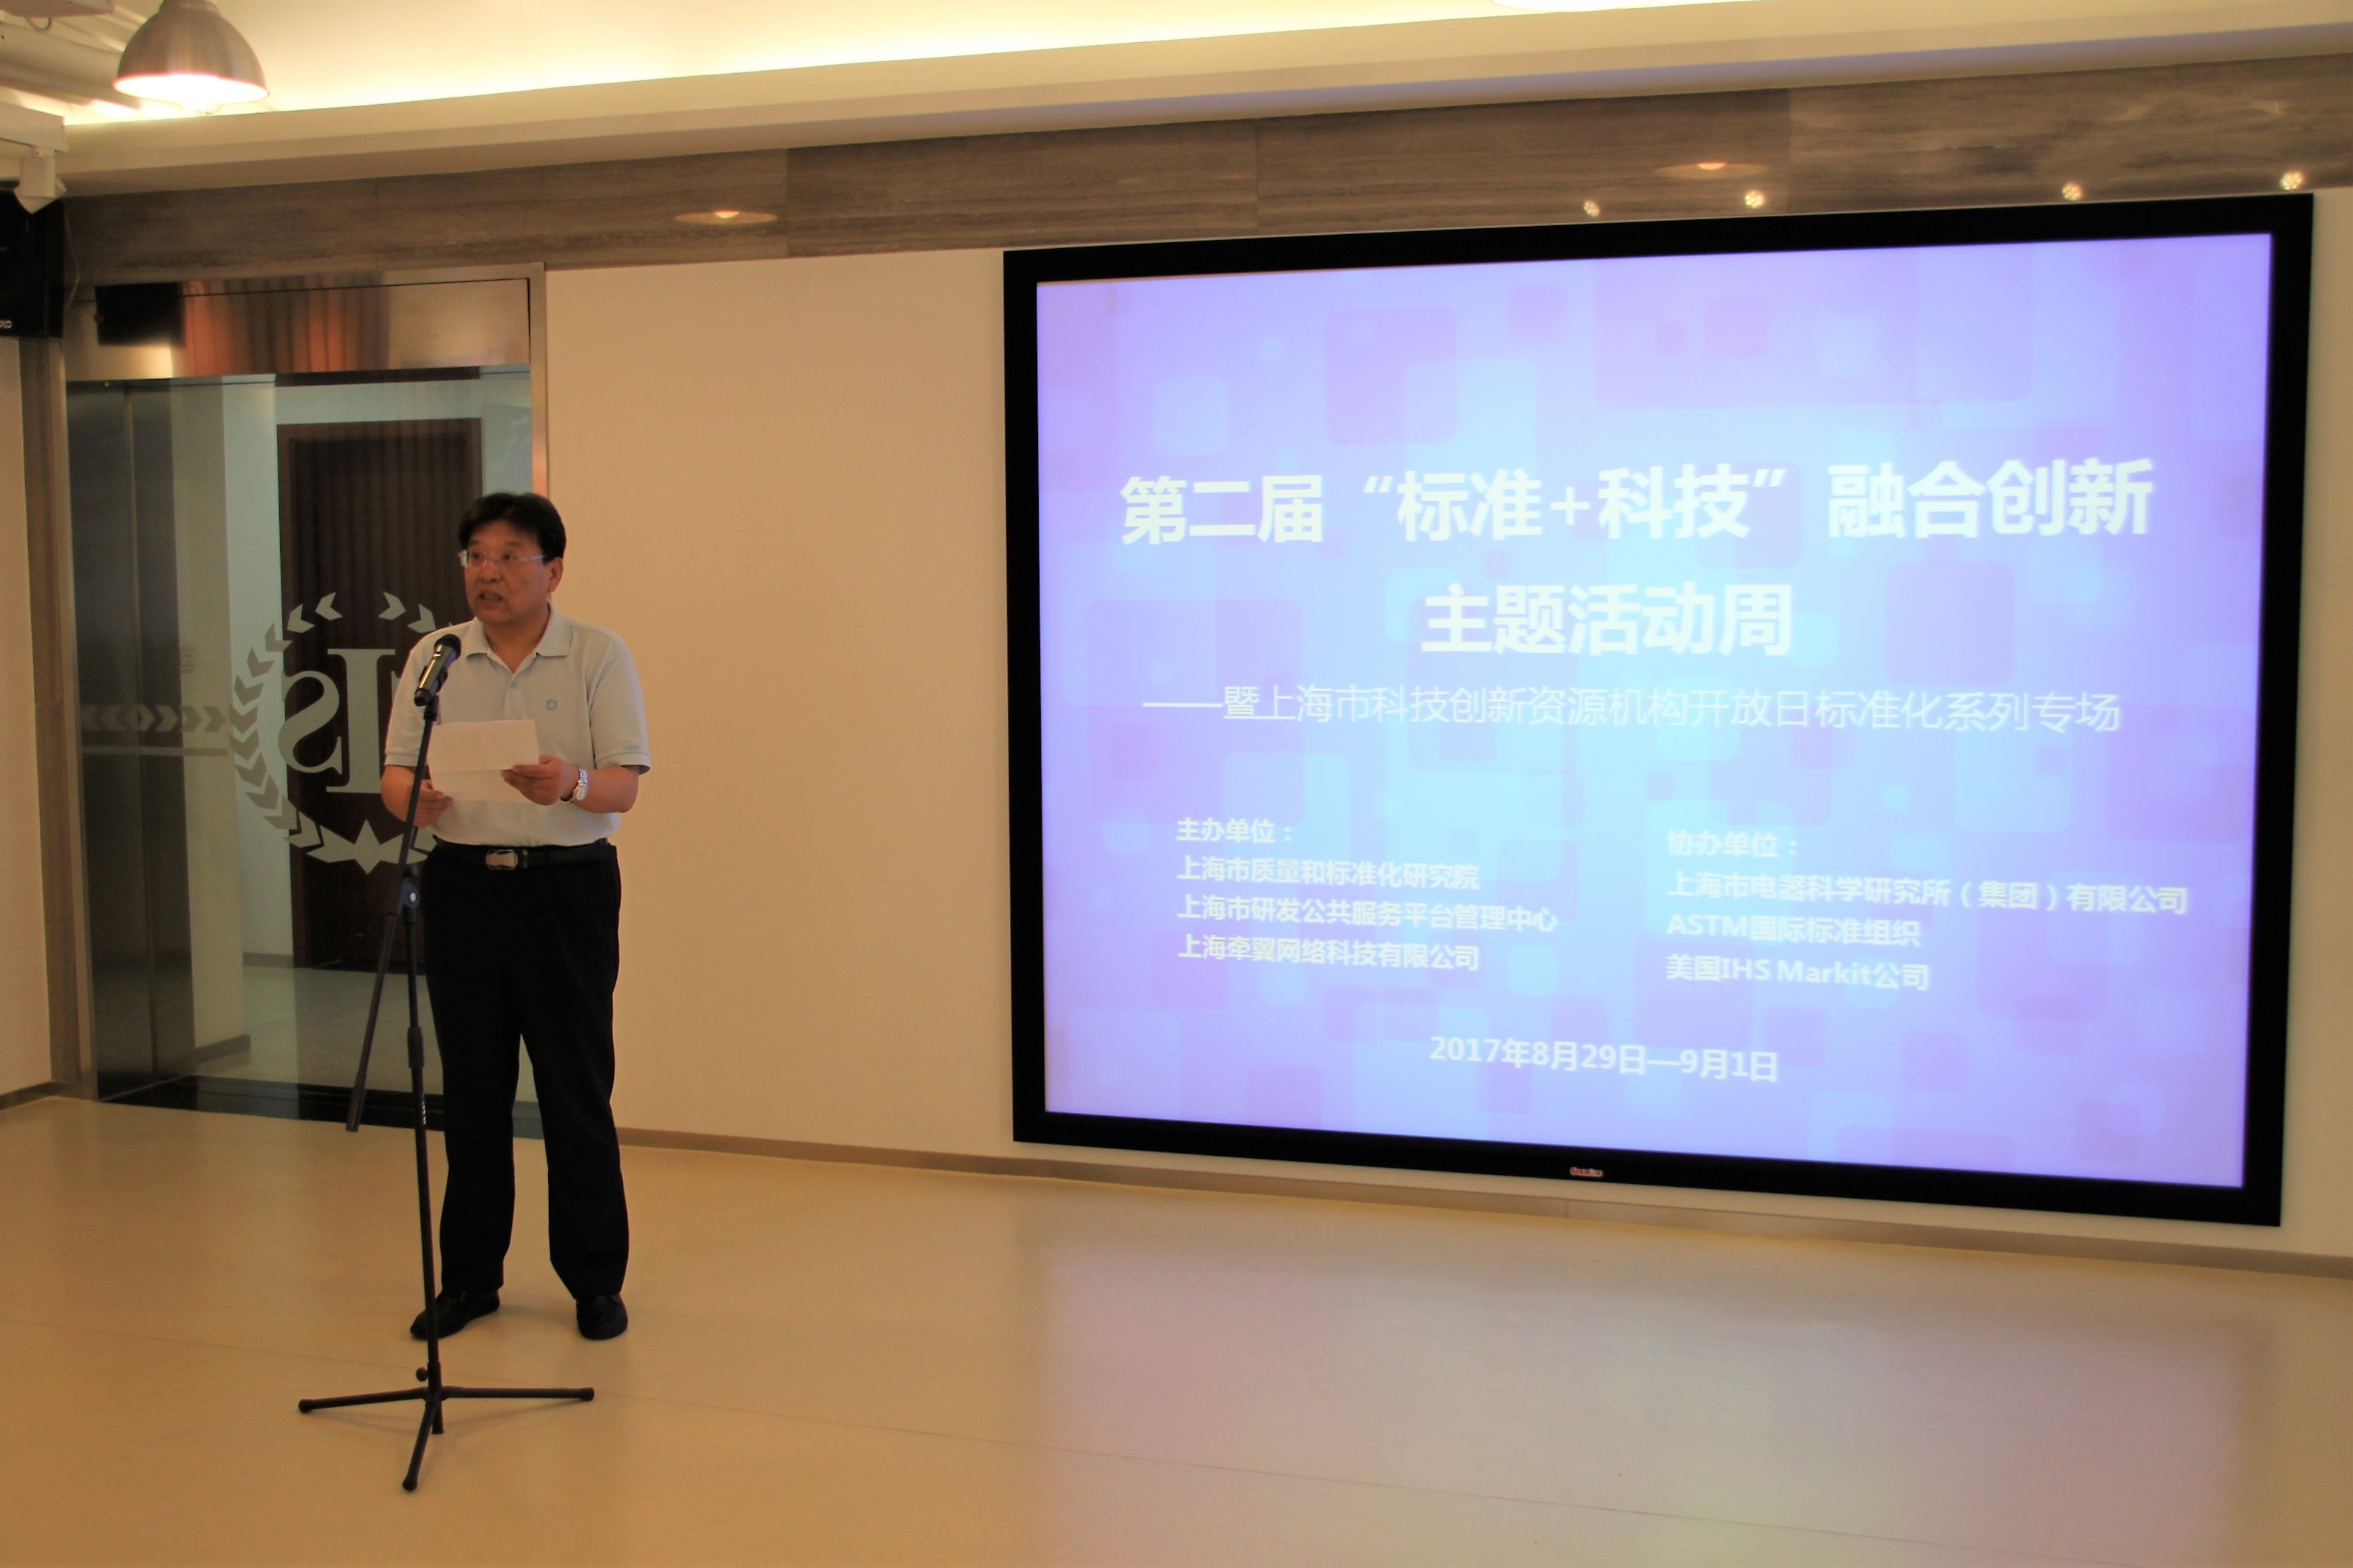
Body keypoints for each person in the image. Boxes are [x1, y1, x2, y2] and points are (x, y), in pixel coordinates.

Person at [380, 492, 651, 1342]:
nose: (487, 573)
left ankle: (594, 1280)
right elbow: (394, 773)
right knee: (472, 1090)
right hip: (462, 885)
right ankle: (469, 1278)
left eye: (507, 556)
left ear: (552, 569)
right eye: (475, 556)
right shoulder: (436, 656)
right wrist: (414, 799)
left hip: (565, 889)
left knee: (575, 1088)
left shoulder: (597, 654)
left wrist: (570, 781)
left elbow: (623, 785)